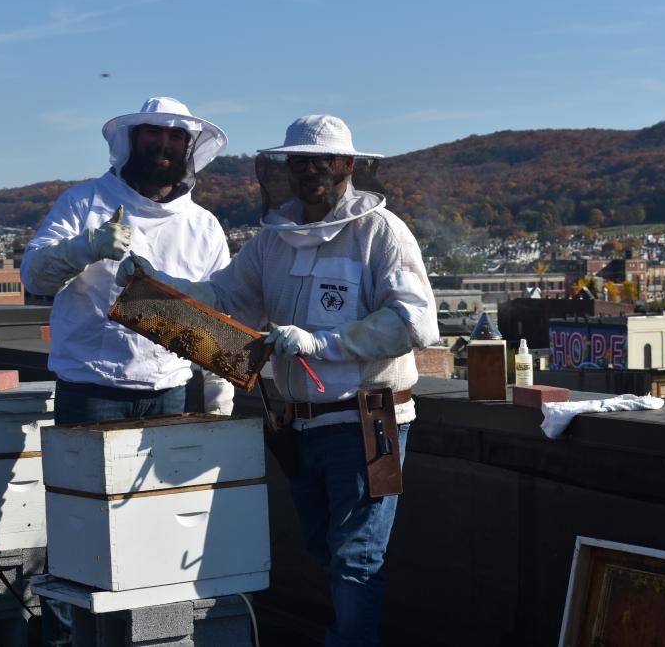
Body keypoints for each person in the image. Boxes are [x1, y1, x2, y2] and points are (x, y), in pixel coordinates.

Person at [118, 114, 439, 647]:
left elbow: (413, 321)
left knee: (356, 557)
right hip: (298, 425)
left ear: (348, 166)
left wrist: (324, 343)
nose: (310, 171)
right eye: (299, 162)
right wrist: (153, 284)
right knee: (324, 550)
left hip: (366, 421)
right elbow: (223, 301)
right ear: (283, 170)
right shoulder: (273, 241)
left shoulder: (380, 232)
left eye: (324, 161)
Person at [21, 97, 235, 644]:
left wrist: (216, 406)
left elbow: (216, 321)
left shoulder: (203, 226)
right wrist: (88, 246)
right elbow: (35, 273)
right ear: (132, 142)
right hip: (91, 390)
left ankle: (144, 637)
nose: (163, 148)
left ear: (189, 150)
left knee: (153, 532)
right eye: (153, 137)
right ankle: (67, 638)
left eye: (174, 140)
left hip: (167, 394)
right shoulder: (86, 202)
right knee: (79, 526)